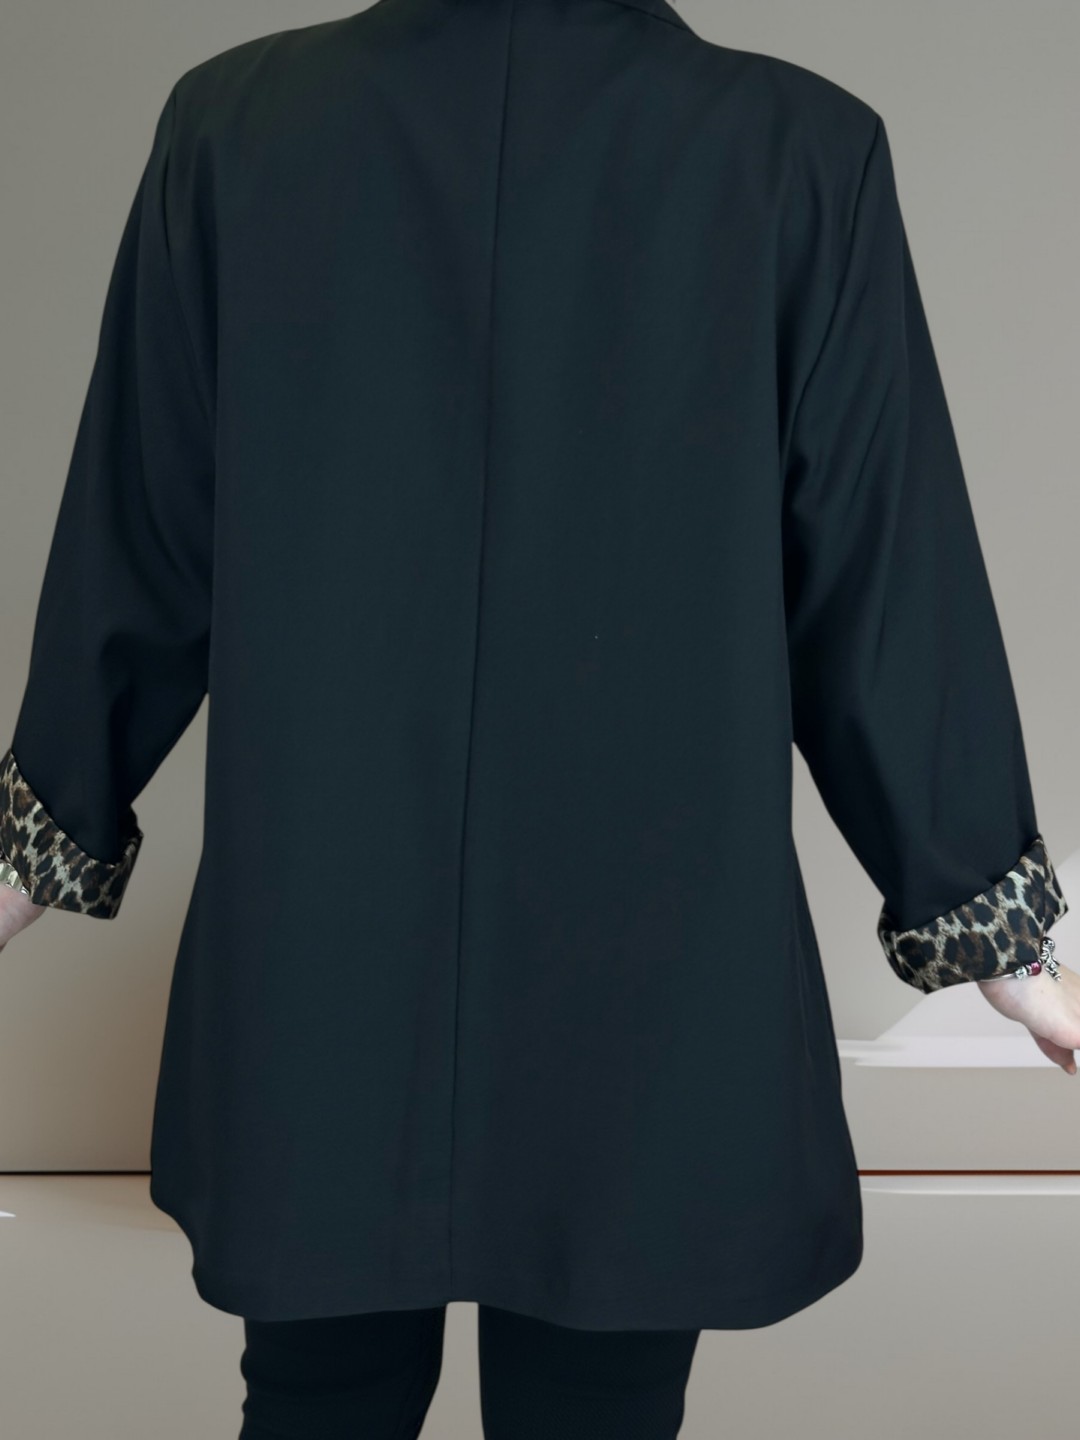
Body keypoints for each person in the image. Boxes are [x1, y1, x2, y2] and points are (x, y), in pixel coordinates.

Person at [0, 0, 1074, 1435]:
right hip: (645, 952)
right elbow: (880, 579)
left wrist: (34, 834)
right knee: (595, 1403)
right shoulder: (794, 149)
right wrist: (993, 920)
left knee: (316, 1395)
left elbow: (142, 535)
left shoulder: (237, 127)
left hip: (327, 943)